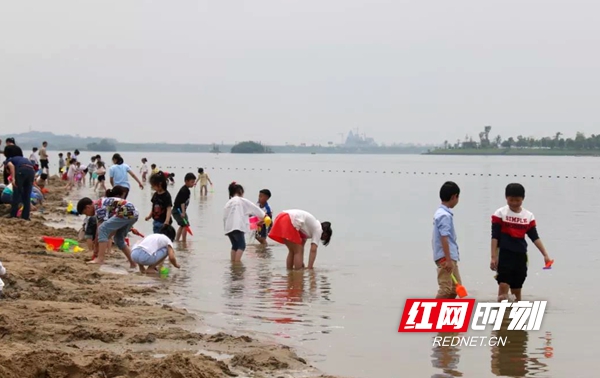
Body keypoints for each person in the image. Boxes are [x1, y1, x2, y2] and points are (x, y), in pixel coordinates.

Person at [491, 183, 552, 302]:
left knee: (517, 290)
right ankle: (500, 316)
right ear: (506, 198)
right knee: (503, 286)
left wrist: (545, 255)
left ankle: (515, 316)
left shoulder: (528, 216)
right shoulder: (500, 213)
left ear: (523, 199)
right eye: (511, 200)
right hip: (505, 254)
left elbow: (534, 237)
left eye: (517, 200)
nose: (514, 203)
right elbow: (495, 237)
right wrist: (493, 257)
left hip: (520, 255)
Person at [77, 187, 138, 267]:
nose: (87, 215)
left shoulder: (98, 207)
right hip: (134, 213)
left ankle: (100, 258)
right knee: (118, 239)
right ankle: (133, 263)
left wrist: (96, 247)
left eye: (85, 213)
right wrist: (97, 244)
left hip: (127, 211)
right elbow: (102, 231)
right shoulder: (100, 205)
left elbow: (100, 229)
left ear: (88, 207)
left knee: (102, 229)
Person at [223, 182, 268, 262]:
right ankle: (236, 264)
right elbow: (254, 209)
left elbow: (225, 217)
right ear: (240, 191)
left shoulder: (228, 203)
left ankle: (232, 262)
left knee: (234, 245)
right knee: (242, 245)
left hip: (229, 227)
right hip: (237, 227)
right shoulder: (241, 200)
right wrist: (264, 216)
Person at [431, 181, 461, 299]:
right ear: (454, 196)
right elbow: (444, 238)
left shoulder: (441, 213)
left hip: (449, 256)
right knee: (445, 289)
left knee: (455, 288)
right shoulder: (444, 215)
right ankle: (434, 315)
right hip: (445, 257)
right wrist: (448, 260)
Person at [5, 155, 36, 220]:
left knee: (16, 193)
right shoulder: (22, 159)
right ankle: (25, 216)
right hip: (31, 171)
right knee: (27, 195)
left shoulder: (9, 161)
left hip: (22, 170)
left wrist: (13, 178)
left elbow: (11, 166)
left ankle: (13, 215)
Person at [172, 173, 196, 242]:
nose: (193, 184)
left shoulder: (186, 190)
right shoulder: (185, 190)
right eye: (192, 182)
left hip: (178, 210)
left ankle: (177, 240)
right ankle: (184, 241)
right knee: (185, 225)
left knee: (183, 225)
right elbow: (182, 203)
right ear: (186, 181)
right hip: (178, 210)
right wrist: (183, 212)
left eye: (194, 182)